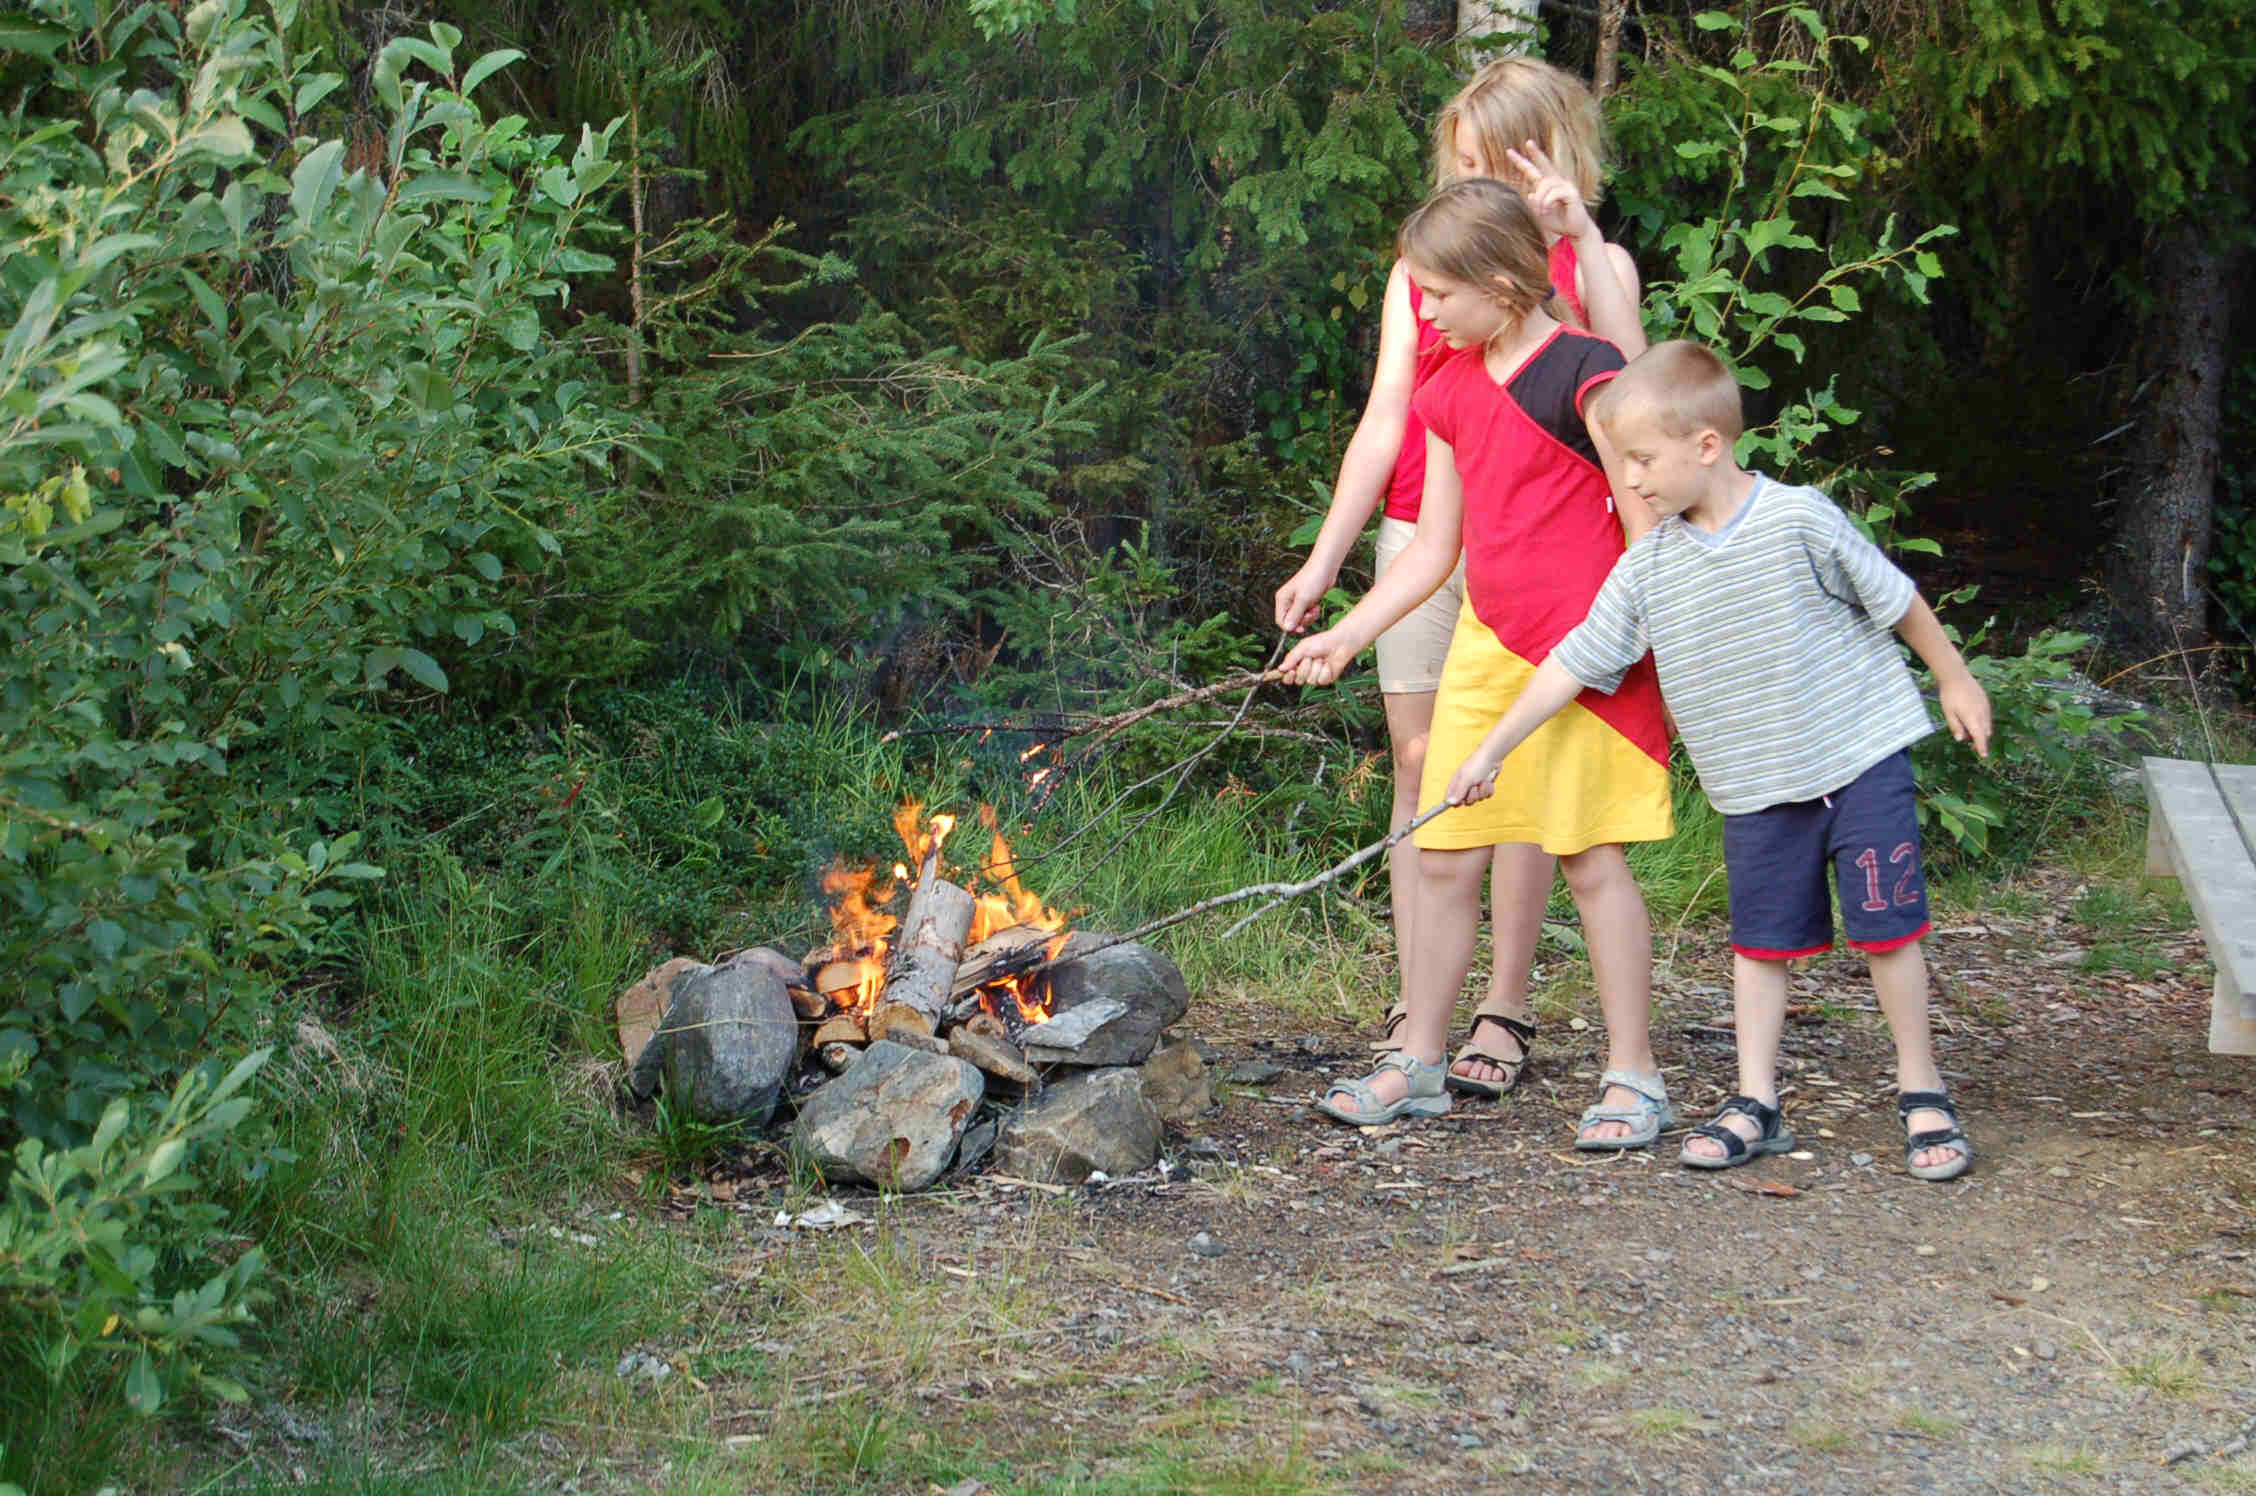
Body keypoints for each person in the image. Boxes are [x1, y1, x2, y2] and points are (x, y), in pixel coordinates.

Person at [1441, 340, 1992, 1180]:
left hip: (1859, 756)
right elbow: (1574, 660)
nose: (1628, 480)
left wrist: (1955, 679)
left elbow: (1896, 599)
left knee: (1886, 931)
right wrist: (1491, 749)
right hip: (1756, 787)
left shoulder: (1798, 519)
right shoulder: (1649, 566)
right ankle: (1755, 1100)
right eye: (1621, 461)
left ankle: (1922, 1089)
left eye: (1641, 460)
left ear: (1707, 444)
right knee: (1760, 945)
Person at [1273, 56, 1648, 1115]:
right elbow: (1409, 462)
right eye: (1462, 163)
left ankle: (1553, 1030)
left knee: (1558, 818)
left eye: (1490, 163)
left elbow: (1644, 425)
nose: (1468, 182)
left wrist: (1579, 240)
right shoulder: (1442, 325)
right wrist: (1335, 593)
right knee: (1432, 795)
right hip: (1457, 578)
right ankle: (1420, 1036)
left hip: (1561, 594)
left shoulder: (1581, 303)